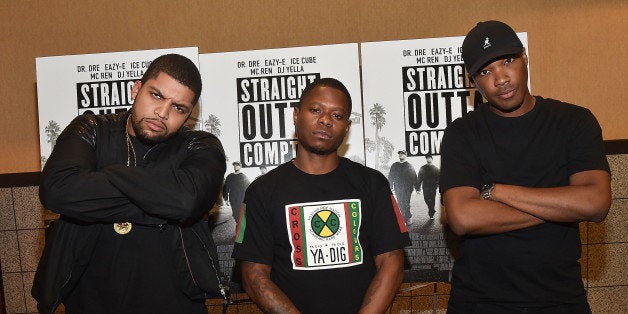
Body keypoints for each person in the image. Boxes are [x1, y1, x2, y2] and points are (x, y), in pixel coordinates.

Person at [32, 54, 227, 314]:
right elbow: (57, 190)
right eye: (156, 95)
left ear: (189, 114)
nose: (162, 112)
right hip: (90, 303)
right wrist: (162, 205)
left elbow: (186, 201)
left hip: (175, 304)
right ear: (137, 89)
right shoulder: (92, 129)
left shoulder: (199, 145)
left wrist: (110, 175)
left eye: (179, 108)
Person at [440, 21, 611, 313]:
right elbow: (463, 217)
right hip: (479, 303)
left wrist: (496, 191)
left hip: (559, 301)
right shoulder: (462, 133)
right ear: (474, 82)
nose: (501, 79)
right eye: (485, 71)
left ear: (524, 57)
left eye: (508, 61)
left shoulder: (574, 122)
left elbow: (595, 202)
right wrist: (561, 205)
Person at [231, 78, 411, 313]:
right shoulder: (261, 191)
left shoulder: (372, 184)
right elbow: (253, 275)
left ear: (346, 127)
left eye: (337, 116)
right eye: (316, 110)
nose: (325, 120)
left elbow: (391, 261)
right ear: (296, 115)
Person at [388, 150, 417, 225]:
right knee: (400, 203)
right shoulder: (394, 165)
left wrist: (417, 188)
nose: (400, 155)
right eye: (399, 154)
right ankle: (405, 217)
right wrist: (390, 186)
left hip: (408, 187)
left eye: (402, 154)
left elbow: (414, 177)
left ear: (406, 155)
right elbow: (391, 176)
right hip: (398, 187)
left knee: (406, 202)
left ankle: (408, 217)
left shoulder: (409, 165)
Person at [415, 154, 439, 220]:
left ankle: (431, 214)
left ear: (432, 159)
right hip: (425, 187)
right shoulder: (422, 168)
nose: (428, 159)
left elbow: (438, 179)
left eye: (429, 158)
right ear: (426, 159)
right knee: (426, 199)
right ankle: (432, 209)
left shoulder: (436, 168)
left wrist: (436, 186)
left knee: (432, 200)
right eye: (427, 158)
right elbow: (419, 178)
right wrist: (418, 188)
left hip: (433, 188)